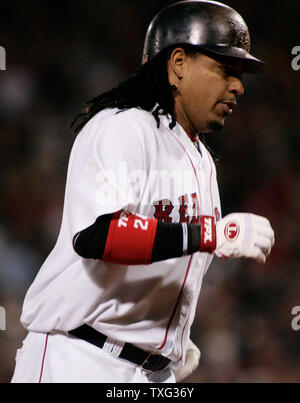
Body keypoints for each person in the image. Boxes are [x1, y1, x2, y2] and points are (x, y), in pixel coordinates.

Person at [11, 0, 274, 383]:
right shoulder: (123, 126)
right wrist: (209, 234)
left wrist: (165, 341)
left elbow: (164, 263)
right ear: (178, 63)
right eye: (225, 69)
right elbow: (99, 235)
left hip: (146, 373)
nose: (238, 85)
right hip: (79, 358)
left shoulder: (201, 161)